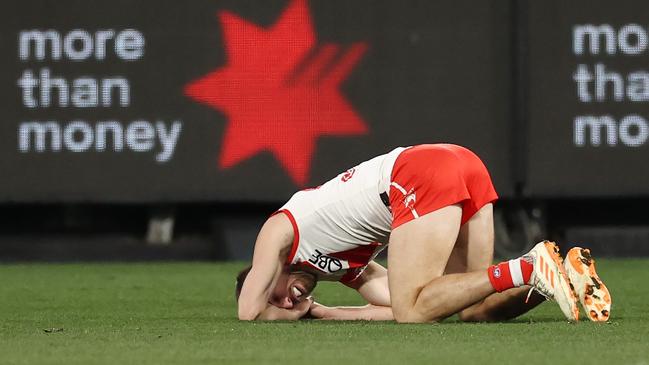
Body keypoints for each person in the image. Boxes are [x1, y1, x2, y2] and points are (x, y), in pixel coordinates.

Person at [235, 144, 611, 322]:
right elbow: (396, 306)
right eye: (282, 306)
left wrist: (282, 315)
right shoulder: (344, 268)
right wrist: (325, 312)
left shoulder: (279, 230)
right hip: (461, 163)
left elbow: (247, 313)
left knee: (415, 313)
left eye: (276, 295)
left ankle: (528, 268)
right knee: (468, 308)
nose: (287, 302)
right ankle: (558, 274)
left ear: (267, 274)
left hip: (418, 174)